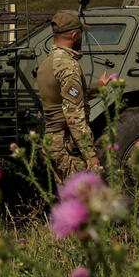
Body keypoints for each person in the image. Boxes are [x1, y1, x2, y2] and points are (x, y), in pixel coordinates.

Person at [36, 10, 113, 181]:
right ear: (74, 35)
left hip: (53, 141)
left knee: (67, 195)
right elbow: (74, 115)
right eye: (81, 34)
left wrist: (97, 87)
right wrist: (90, 155)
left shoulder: (48, 63)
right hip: (67, 145)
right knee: (82, 195)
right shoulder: (68, 66)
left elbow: (63, 97)